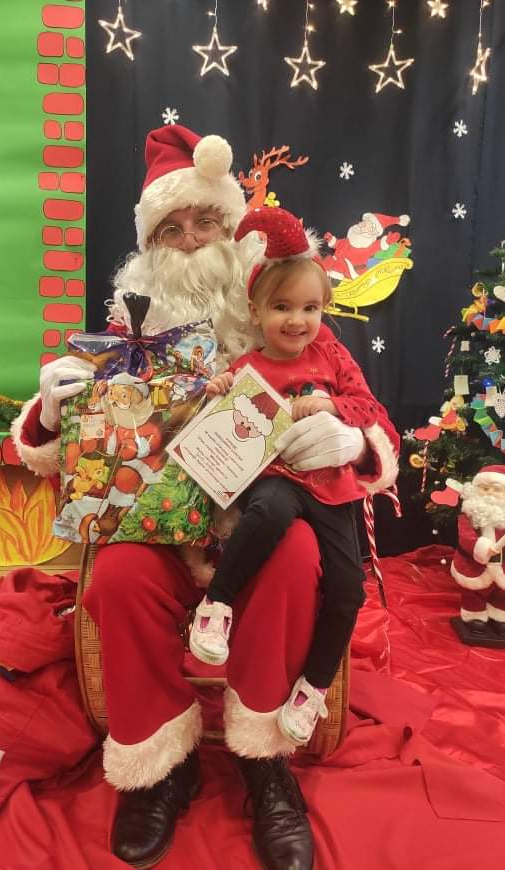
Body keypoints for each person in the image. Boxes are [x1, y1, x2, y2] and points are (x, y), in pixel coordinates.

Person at [12, 124, 400, 870]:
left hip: (267, 521)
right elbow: (68, 449)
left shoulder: (292, 320)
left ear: (235, 233)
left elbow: (374, 420)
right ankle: (161, 762)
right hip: (162, 526)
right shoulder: (128, 332)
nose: (190, 241)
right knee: (117, 576)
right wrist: (53, 412)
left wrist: (354, 440)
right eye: (171, 228)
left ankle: (263, 756)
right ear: (147, 246)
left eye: (206, 222)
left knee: (296, 556)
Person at [189, 206, 383, 748]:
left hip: (332, 487)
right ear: (255, 312)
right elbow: (221, 421)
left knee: (349, 590)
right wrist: (215, 392)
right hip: (276, 477)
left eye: (309, 308)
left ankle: (313, 687)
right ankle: (216, 605)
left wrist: (335, 409)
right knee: (269, 510)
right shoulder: (248, 367)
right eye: (282, 307)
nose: (297, 320)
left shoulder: (333, 355)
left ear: (324, 309)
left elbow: (368, 407)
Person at [450, 464, 505, 637]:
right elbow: (466, 536)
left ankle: (501, 617)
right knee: (474, 593)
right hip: (475, 565)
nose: (490, 493)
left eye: (496, 489)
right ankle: (474, 616)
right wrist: (481, 547)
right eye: (485, 488)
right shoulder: (469, 515)